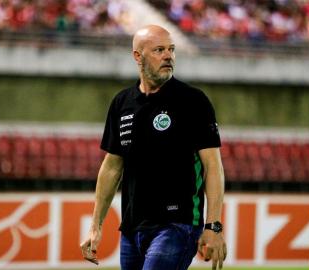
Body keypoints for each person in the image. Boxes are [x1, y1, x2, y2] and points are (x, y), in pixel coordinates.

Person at [80, 24, 227, 270]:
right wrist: (95, 226)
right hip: (131, 229)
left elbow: (213, 166)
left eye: (171, 49)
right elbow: (112, 168)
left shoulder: (192, 100)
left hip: (176, 225)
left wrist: (213, 226)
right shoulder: (122, 103)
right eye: (159, 50)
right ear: (138, 56)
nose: (168, 56)